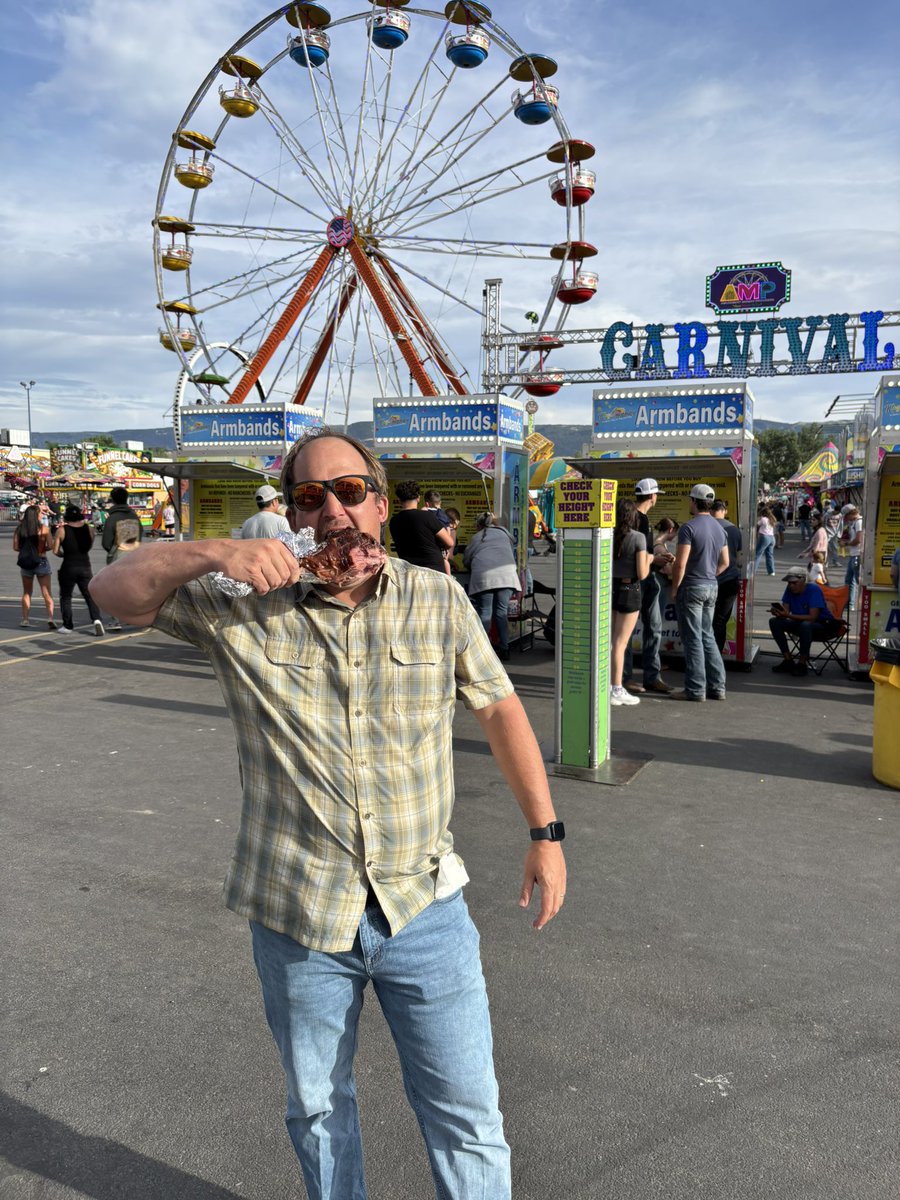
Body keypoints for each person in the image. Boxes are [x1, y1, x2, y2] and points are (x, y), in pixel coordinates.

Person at [90, 428, 565, 1200]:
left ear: (380, 502)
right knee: (317, 1110)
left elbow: (500, 706)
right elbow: (114, 592)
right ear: (295, 515)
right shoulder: (238, 606)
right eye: (313, 496)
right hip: (299, 913)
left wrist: (545, 834)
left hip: (425, 908)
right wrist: (215, 553)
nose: (335, 510)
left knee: (468, 1116)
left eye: (350, 490)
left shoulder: (436, 598)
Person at [670, 484, 729, 701]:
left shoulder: (689, 528)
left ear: (694, 501)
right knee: (707, 636)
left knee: (693, 638)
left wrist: (675, 588)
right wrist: (710, 575)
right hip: (711, 586)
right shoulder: (719, 528)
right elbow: (726, 562)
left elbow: (680, 564)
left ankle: (695, 689)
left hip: (692, 587)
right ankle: (717, 687)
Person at [622, 480, 673, 696]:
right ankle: (624, 678)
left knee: (653, 626)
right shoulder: (637, 518)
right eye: (656, 494)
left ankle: (651, 676)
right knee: (631, 629)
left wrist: (656, 558)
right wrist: (656, 560)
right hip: (638, 579)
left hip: (645, 578)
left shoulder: (637, 518)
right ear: (652, 496)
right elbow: (636, 555)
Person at [463, 511, 522, 662]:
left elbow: (467, 559)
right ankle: (504, 649)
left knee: (485, 612)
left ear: (479, 525)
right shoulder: (504, 533)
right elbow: (513, 541)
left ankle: (483, 650)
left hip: (485, 577)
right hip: (507, 576)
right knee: (501, 613)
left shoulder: (477, 537)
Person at [609, 498, 651, 707]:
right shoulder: (638, 538)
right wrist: (651, 560)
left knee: (611, 641)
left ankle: (609, 684)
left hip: (611, 589)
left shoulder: (609, 535)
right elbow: (642, 573)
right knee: (620, 643)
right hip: (629, 590)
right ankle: (616, 687)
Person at [769, 567, 840, 677]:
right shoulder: (789, 589)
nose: (791, 586)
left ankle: (802, 663)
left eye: (794, 583)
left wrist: (788, 615)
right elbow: (786, 611)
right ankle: (788, 660)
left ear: (804, 580)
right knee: (774, 621)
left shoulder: (813, 589)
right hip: (799, 623)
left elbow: (812, 617)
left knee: (806, 625)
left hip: (823, 625)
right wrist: (779, 613)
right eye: (789, 583)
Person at [53, 503, 104, 635]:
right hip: (85, 565)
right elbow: (89, 545)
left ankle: (68, 625)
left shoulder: (62, 530)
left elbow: (55, 551)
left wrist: (64, 554)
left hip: (68, 566)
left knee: (66, 596)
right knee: (89, 595)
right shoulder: (89, 529)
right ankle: (97, 619)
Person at [389, 479, 455, 574]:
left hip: (409, 573)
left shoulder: (394, 521)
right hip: (434, 571)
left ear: (399, 500)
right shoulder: (427, 516)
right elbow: (449, 542)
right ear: (418, 498)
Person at [101, 487, 143, 629]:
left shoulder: (112, 517)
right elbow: (140, 534)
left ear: (113, 500)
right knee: (132, 588)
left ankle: (115, 620)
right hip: (135, 554)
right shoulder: (133, 515)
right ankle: (132, 617)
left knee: (114, 589)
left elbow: (106, 542)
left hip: (118, 555)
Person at [13, 500, 57, 629]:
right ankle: (50, 617)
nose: (42, 515)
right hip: (41, 560)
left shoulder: (20, 529)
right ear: (36, 515)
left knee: (27, 592)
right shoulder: (44, 529)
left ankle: (25, 620)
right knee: (46, 592)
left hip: (26, 562)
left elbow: (16, 547)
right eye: (40, 513)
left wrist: (26, 549)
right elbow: (51, 545)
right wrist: (41, 549)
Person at [710, 499, 742, 654]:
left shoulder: (706, 527)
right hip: (730, 579)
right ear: (725, 511)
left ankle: (706, 655)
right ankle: (716, 656)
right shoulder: (735, 530)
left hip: (709, 579)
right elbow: (738, 555)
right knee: (721, 620)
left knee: (706, 620)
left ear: (710, 511)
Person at [839, 503, 864, 610]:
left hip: (857, 554)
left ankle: (854, 604)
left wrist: (846, 544)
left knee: (857, 580)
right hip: (853, 554)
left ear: (851, 513)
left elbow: (859, 539)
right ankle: (849, 603)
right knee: (849, 579)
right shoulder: (854, 522)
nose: (846, 519)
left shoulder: (859, 522)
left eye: (846, 516)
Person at [754, 505, 776, 576]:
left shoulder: (763, 519)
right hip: (772, 538)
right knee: (769, 555)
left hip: (764, 537)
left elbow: (757, 525)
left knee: (758, 554)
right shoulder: (772, 519)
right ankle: (771, 571)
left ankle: (753, 570)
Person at [824, 500, 842, 567]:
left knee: (835, 548)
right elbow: (823, 522)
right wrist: (823, 531)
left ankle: (835, 561)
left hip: (835, 534)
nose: (837, 514)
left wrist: (839, 533)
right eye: (836, 512)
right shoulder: (827, 514)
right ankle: (825, 562)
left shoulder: (840, 515)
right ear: (835, 510)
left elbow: (840, 524)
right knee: (825, 548)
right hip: (827, 533)